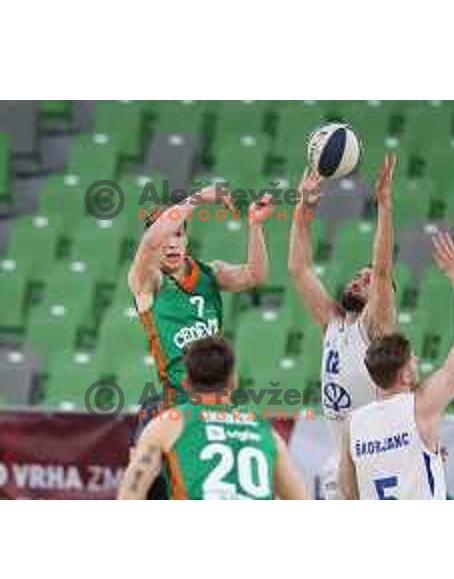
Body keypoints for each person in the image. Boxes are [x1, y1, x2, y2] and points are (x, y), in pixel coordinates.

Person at [338, 232, 454, 500]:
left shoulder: (353, 423)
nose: (417, 362)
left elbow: (348, 491)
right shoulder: (421, 405)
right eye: (413, 358)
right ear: (405, 374)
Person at [288, 156, 397, 498]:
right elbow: (299, 268)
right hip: (342, 460)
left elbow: (381, 270)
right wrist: (302, 213)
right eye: (357, 276)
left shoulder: (377, 327)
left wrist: (384, 206)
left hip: (378, 460)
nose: (360, 279)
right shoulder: (333, 323)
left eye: (367, 280)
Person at [129, 184, 272, 406]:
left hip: (220, 398)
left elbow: (256, 275)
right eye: (165, 236)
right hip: (179, 402)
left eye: (178, 234)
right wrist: (199, 197)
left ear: (186, 239)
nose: (171, 244)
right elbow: (150, 242)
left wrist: (255, 226)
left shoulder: (209, 273)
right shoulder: (147, 281)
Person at [118, 336, 308, 500]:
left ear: (186, 383)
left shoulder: (166, 424)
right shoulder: (265, 431)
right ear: (234, 381)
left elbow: (131, 493)